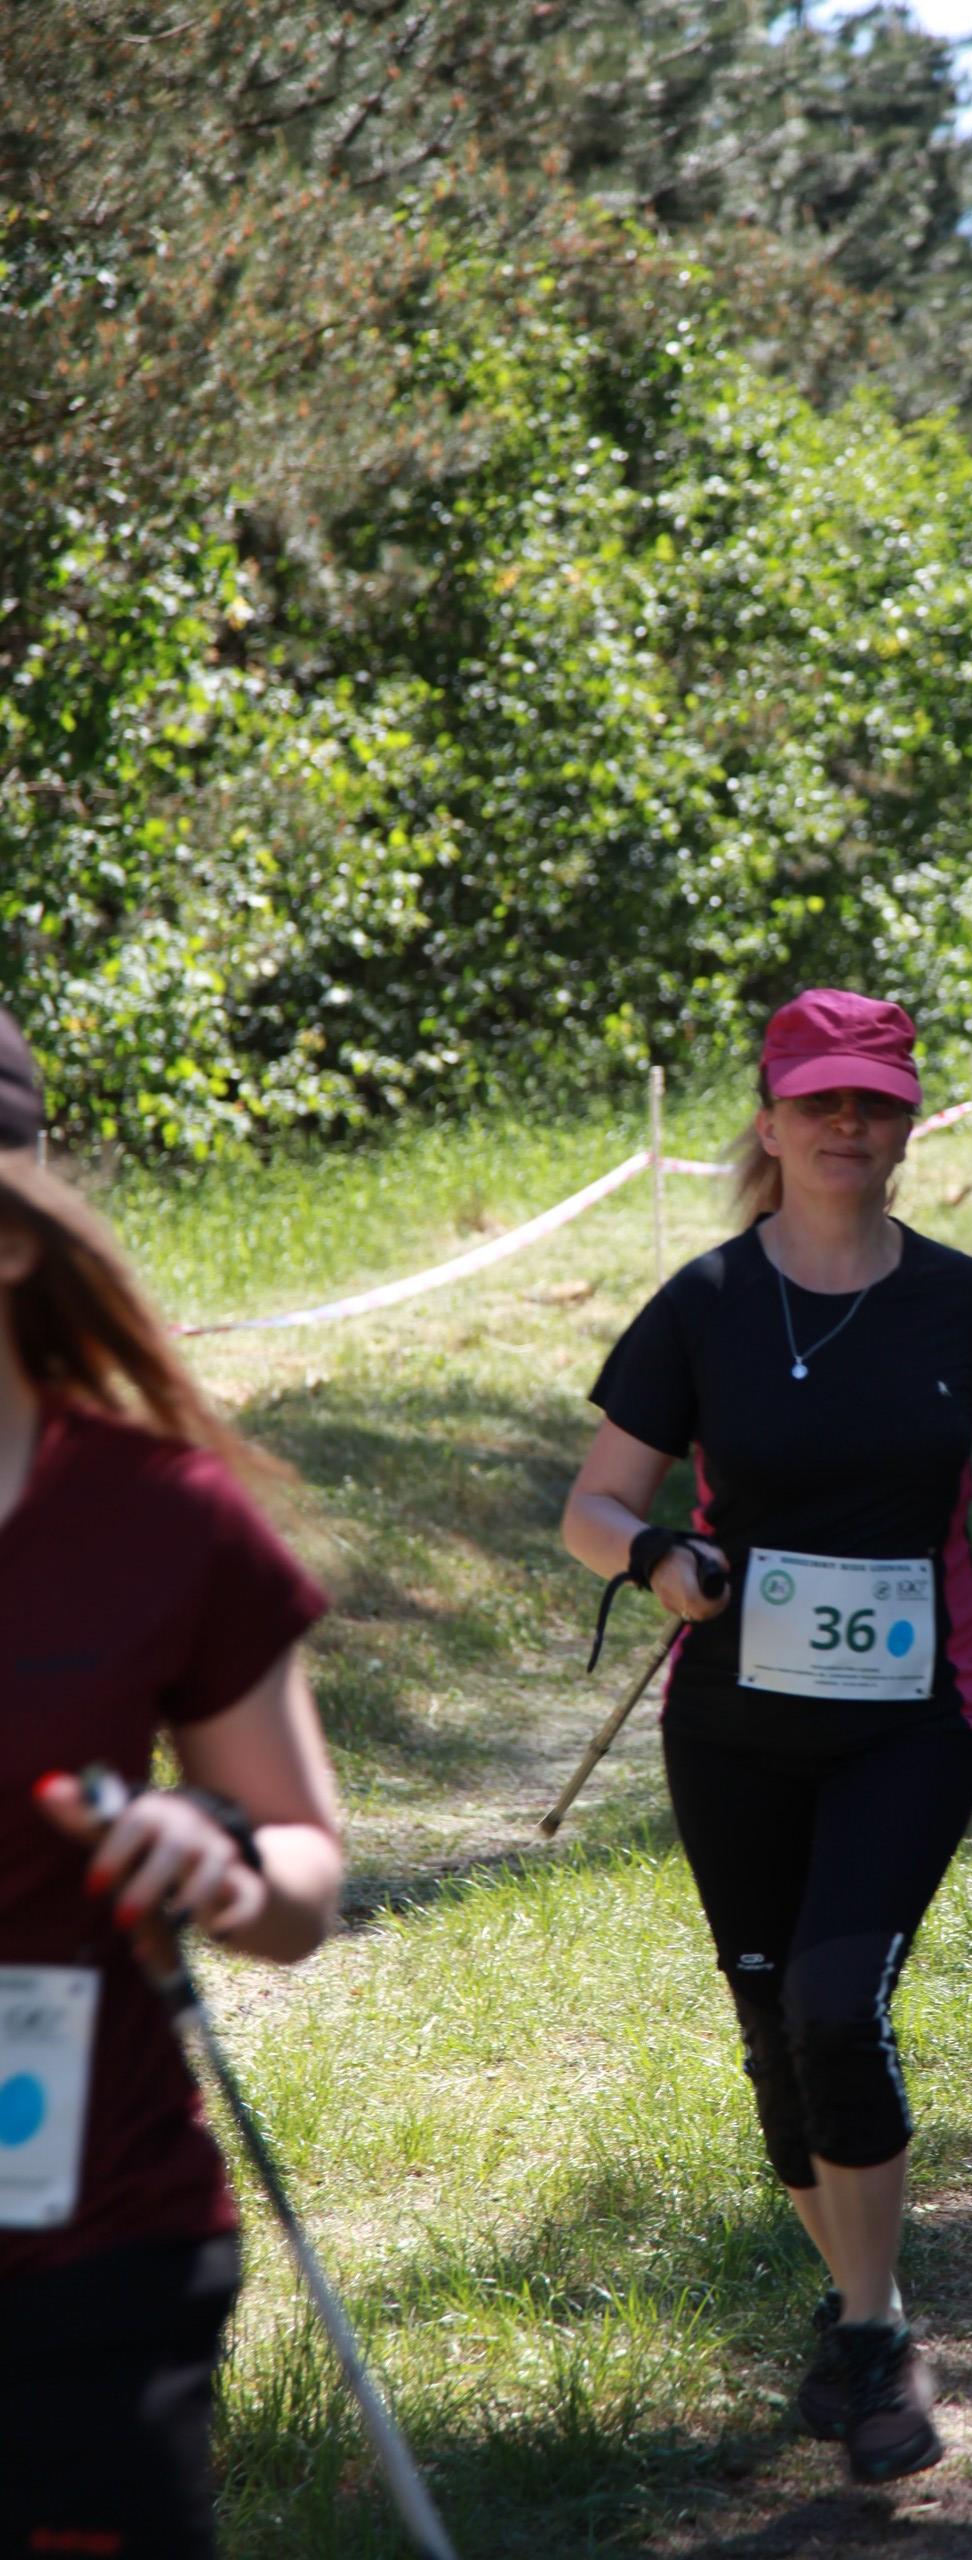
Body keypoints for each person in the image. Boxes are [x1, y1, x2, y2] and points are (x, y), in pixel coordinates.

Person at [561, 988, 972, 2484]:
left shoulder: (960, 1300)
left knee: (834, 1996)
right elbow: (592, 1503)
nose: (847, 1124)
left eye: (873, 1101)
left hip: (913, 1720)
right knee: (772, 2026)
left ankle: (871, 2336)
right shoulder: (704, 1302)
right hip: (730, 1724)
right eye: (820, 1102)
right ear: (771, 1121)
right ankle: (865, 2306)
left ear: (908, 1125)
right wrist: (653, 1557)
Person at [0, 1006, 344, 2560]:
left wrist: (216, 1863)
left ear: (18, 1238)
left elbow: (300, 1878)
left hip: (87, 2252)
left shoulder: (165, 1520)